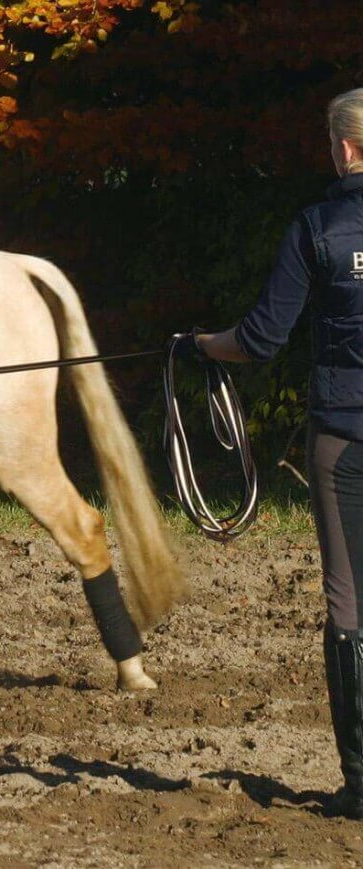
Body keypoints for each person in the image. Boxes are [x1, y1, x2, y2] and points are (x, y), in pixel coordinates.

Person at [192, 86, 363, 819]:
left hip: (345, 433)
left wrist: (200, 346)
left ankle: (362, 785)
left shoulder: (317, 226)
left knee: (351, 604)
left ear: (344, 148)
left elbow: (260, 338)